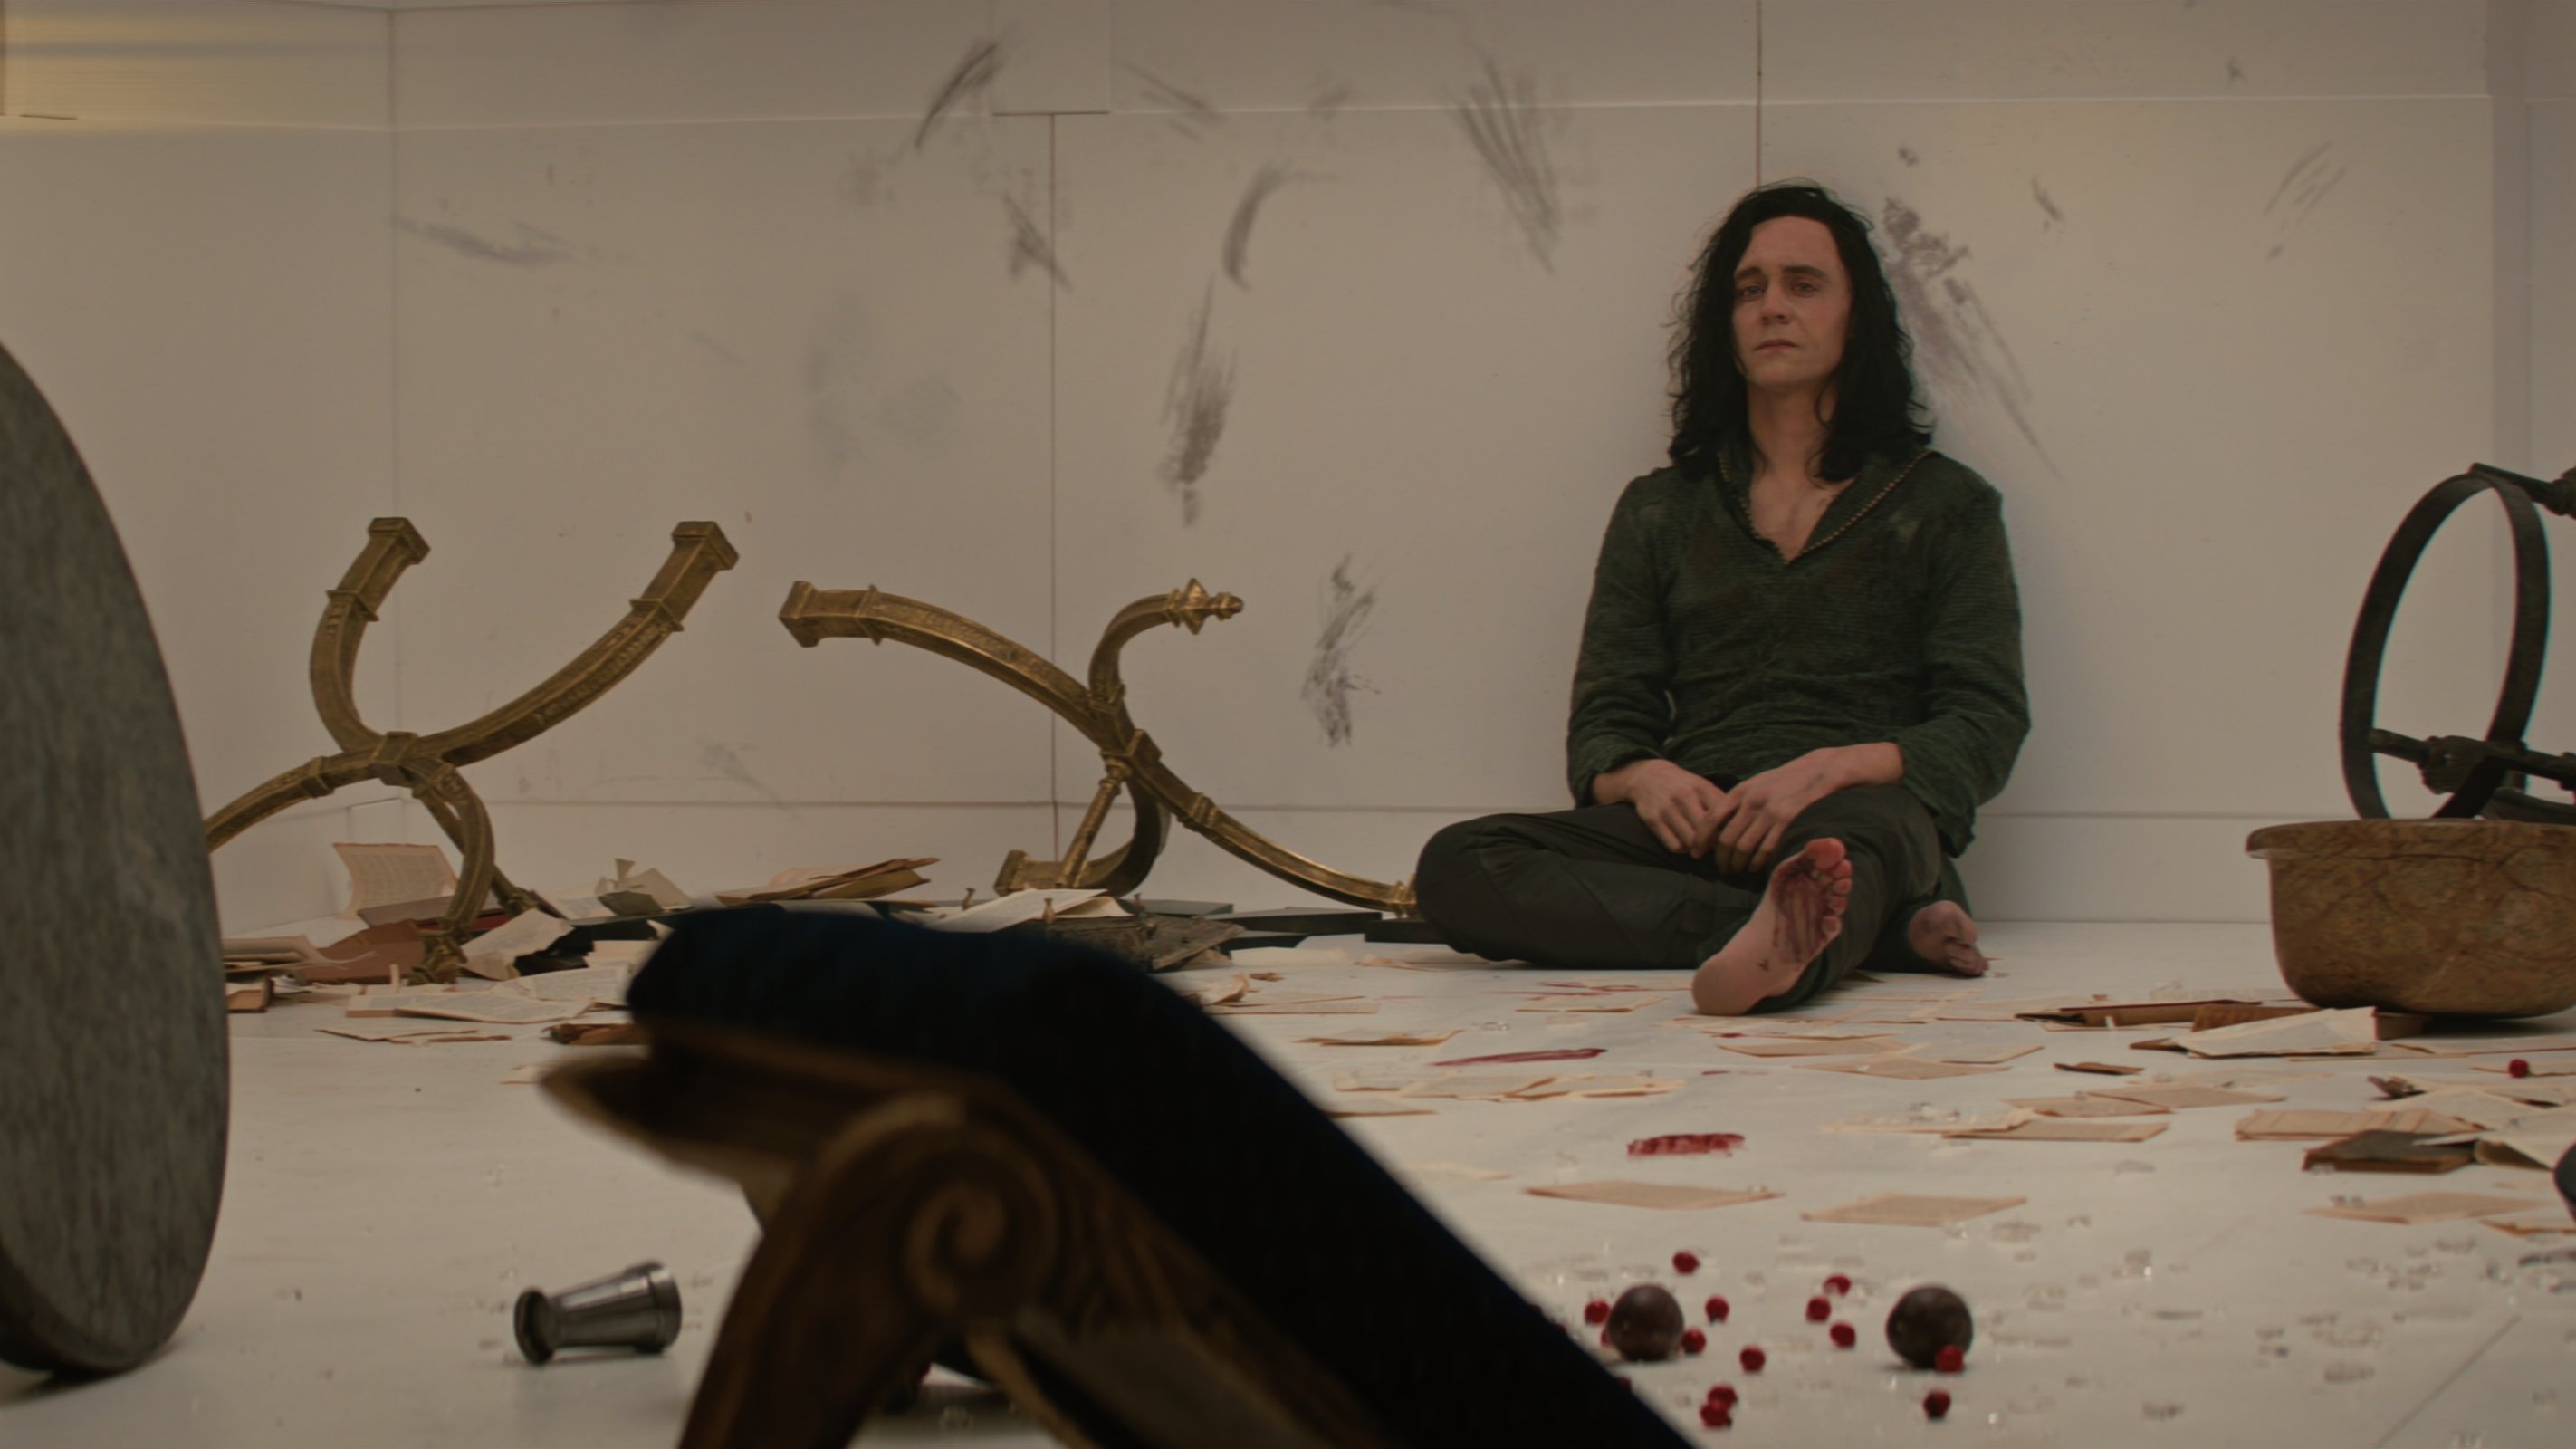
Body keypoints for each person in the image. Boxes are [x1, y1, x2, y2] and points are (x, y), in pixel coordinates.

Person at [1412, 181, 2029, 1015]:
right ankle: (1833, 932)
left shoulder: (1945, 504)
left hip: (1856, 819)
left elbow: (1984, 725)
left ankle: (1816, 912)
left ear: (1857, 317)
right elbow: (1605, 720)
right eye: (1748, 289)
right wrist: (1644, 778)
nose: (1772, 306)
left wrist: (1828, 768)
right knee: (1460, 865)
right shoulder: (1661, 508)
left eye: (1803, 285)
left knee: (1860, 838)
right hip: (1701, 831)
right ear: (1724, 325)